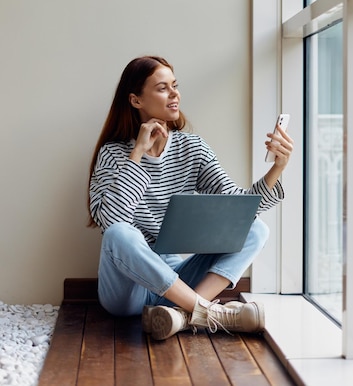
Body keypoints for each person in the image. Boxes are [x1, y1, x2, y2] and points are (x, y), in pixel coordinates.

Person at [88, 56, 293, 340]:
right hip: (126, 292)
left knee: (255, 229)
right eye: (163, 88)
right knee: (120, 234)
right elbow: (112, 221)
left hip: (176, 282)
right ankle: (208, 313)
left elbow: (239, 208)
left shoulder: (191, 148)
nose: (175, 94)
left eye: (175, 85)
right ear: (136, 101)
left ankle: (182, 316)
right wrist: (136, 155)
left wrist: (277, 168)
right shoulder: (112, 154)